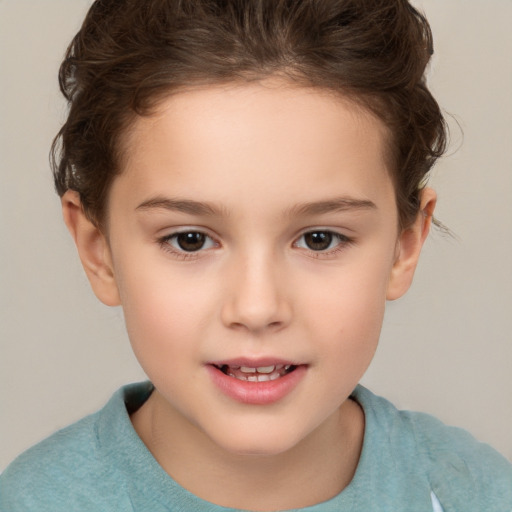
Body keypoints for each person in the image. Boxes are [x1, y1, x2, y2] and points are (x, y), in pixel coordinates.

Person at [1, 0, 511, 510]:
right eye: (190, 240)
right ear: (99, 252)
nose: (257, 308)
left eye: (320, 239)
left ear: (405, 245)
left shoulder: (473, 493)